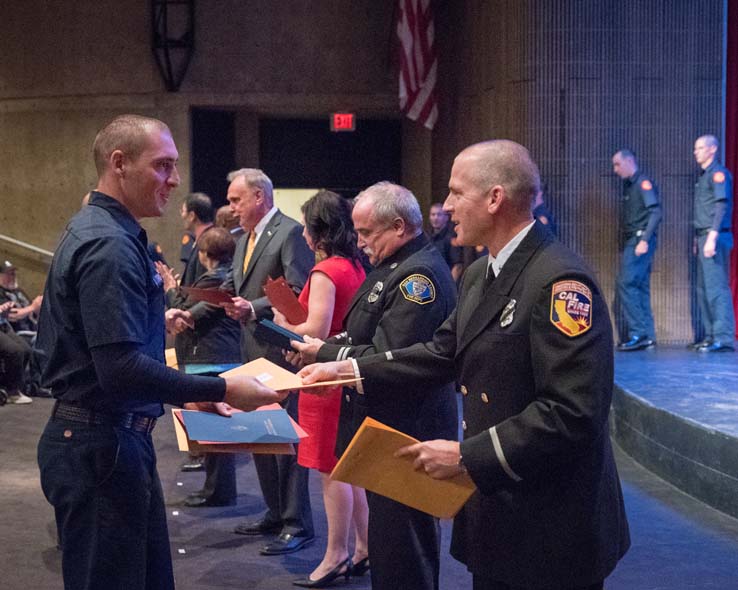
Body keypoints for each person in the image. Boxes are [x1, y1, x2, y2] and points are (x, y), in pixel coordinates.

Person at [298, 141, 631, 590]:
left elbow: (573, 411)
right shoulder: (479, 274)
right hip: (499, 508)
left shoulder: (559, 281)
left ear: (495, 199)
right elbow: (440, 352)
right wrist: (346, 371)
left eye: (457, 193)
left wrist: (467, 456)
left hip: (552, 517)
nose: (447, 206)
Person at [35, 114, 285, 590]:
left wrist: (192, 395)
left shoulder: (109, 231)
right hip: (99, 444)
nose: (174, 180)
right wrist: (219, 386)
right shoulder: (108, 244)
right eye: (163, 165)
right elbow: (120, 369)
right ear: (119, 163)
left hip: (106, 438)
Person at [294, 182, 458, 590]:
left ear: (399, 226)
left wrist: (330, 361)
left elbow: (393, 354)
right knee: (388, 551)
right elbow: (359, 333)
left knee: (406, 557)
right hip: (385, 431)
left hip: (405, 433)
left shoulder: (418, 275)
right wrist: (326, 348)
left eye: (367, 232)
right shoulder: (391, 265)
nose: (359, 241)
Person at [182, 168, 316, 555]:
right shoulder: (244, 240)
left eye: (237, 200)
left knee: (285, 440)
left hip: (279, 352)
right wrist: (193, 308)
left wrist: (253, 308)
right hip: (250, 349)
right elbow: (229, 289)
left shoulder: (289, 232)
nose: (231, 207)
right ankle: (274, 513)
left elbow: (296, 288)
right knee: (259, 434)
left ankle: (297, 523)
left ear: (259, 197)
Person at [271, 190, 368, 587]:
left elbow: (315, 331)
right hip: (342, 375)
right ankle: (363, 548)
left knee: (333, 473)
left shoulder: (326, 270)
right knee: (353, 470)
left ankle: (336, 556)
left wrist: (280, 320)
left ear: (316, 233)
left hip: (325, 380)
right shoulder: (354, 266)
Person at [158, 227, 242, 507]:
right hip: (214, 355)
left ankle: (218, 491)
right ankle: (215, 488)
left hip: (211, 357)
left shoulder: (216, 279)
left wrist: (170, 288)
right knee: (212, 426)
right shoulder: (223, 275)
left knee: (214, 427)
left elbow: (185, 317)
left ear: (205, 255)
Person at [611, 149, 662, 351]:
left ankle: (638, 333)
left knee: (626, 283)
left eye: (617, 164)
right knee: (639, 286)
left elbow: (656, 212)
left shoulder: (642, 183)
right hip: (633, 239)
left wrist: (645, 240)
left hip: (640, 239)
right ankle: (647, 335)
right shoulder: (629, 186)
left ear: (629, 161)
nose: (615, 170)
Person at [691, 135, 735, 352]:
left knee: (716, 288)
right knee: (703, 289)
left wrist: (712, 236)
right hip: (703, 236)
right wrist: (698, 239)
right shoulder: (704, 176)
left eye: (700, 148)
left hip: (714, 237)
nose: (695, 152)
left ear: (712, 150)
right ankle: (710, 335)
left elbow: (721, 207)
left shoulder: (718, 174)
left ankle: (723, 337)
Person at [427, 202, 463, 281]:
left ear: (446, 218)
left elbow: (457, 266)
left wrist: (450, 286)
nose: (435, 218)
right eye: (433, 215)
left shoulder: (452, 237)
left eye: (439, 215)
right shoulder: (427, 237)